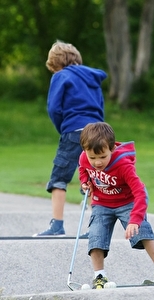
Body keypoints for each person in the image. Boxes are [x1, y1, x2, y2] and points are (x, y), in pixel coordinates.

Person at [78, 122, 154, 289]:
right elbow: (83, 170)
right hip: (101, 203)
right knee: (96, 236)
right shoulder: (84, 158)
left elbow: (140, 192)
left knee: (143, 230)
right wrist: (84, 182)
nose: (97, 162)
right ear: (85, 151)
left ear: (111, 149)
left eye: (102, 157)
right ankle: (99, 276)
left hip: (127, 202)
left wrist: (135, 220)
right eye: (92, 157)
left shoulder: (123, 164)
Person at [33, 41, 107, 237]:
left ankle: (56, 225)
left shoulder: (61, 76)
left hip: (73, 130)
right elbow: (100, 106)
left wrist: (63, 128)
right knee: (94, 178)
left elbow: (54, 108)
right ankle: (95, 229)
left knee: (59, 177)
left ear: (56, 64)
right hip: (97, 131)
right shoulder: (92, 77)